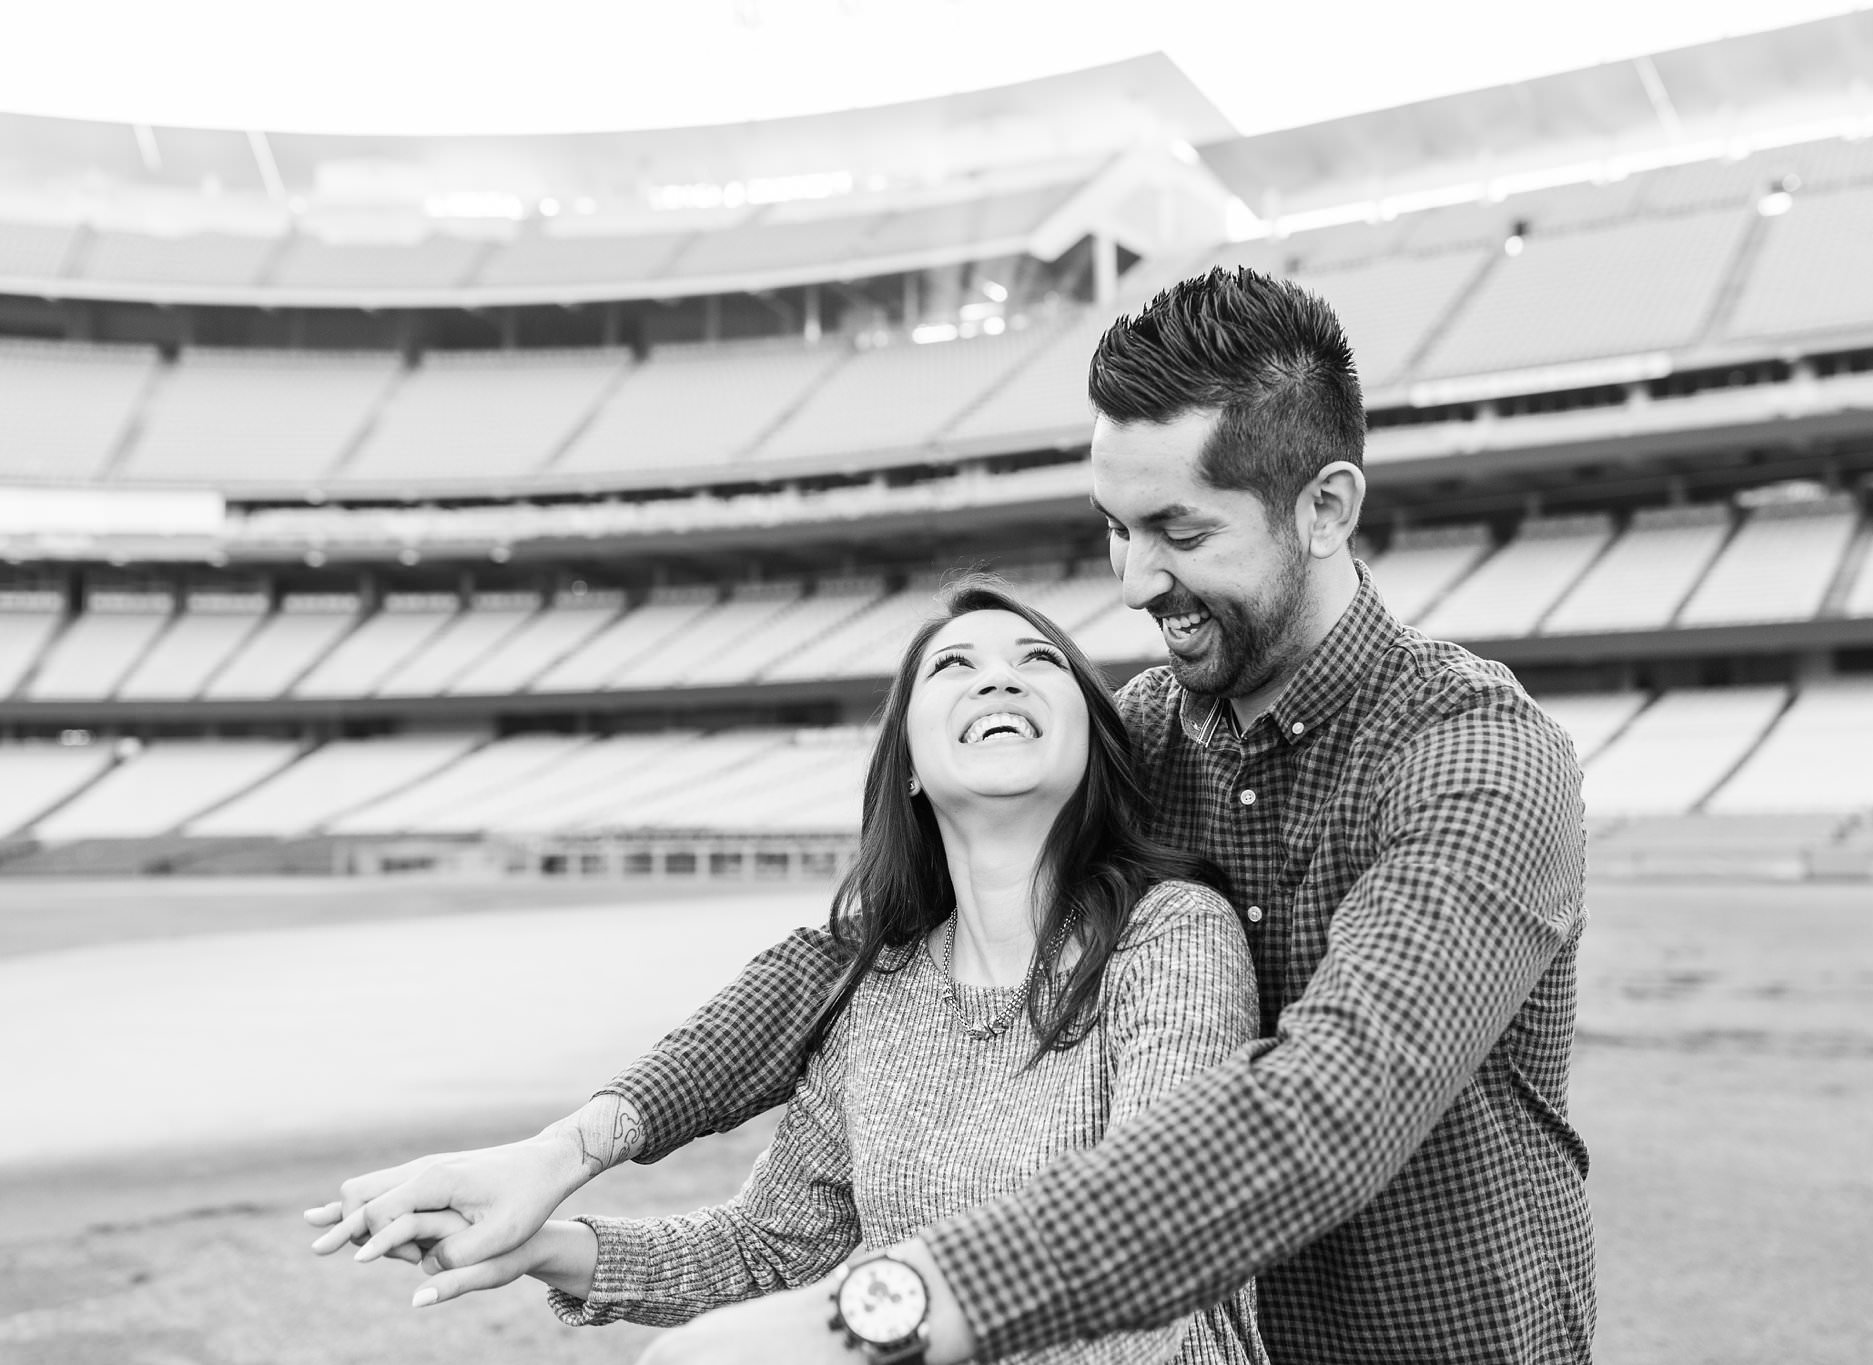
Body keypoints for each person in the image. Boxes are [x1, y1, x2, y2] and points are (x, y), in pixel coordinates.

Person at [310, 267, 1594, 1364]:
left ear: (1324, 509)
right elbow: (848, 960)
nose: (1134, 580)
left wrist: (874, 1314)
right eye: (1112, 528)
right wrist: (570, 1149)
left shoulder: (1475, 760)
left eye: (1177, 530)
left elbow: (1329, 1110)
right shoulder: (1142, 734)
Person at [317, 579, 1268, 1365]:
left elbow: (1155, 1226)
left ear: (1093, 746)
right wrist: (539, 1244)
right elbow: (766, 1246)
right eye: (955, 666)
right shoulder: (879, 993)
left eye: (1038, 661)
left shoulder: (1173, 937)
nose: (999, 681)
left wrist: (849, 1332)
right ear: (906, 765)